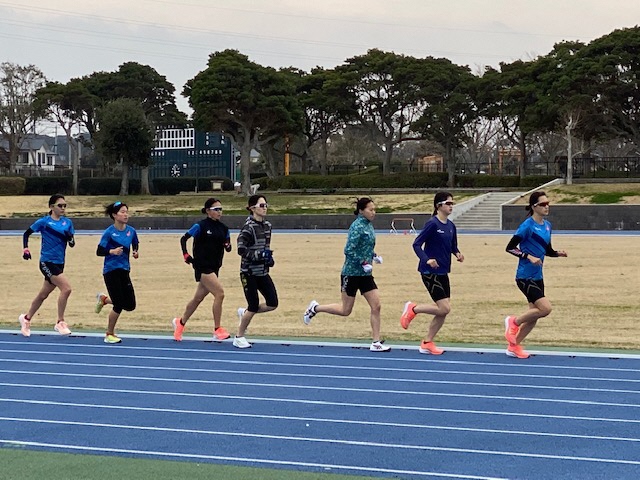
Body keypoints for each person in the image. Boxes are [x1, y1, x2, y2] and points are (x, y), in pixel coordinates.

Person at [303, 197, 390, 352]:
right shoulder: (356, 227)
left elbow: (365, 247)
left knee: (376, 306)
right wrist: (363, 262)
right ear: (361, 210)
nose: (373, 212)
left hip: (366, 275)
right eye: (370, 209)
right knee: (345, 310)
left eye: (374, 209)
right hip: (351, 273)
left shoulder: (369, 226)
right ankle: (315, 308)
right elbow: (349, 250)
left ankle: (376, 342)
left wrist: (374, 256)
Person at [504, 191, 567, 359]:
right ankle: (513, 321)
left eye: (548, 203)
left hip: (538, 276)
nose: (547, 207)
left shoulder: (547, 226)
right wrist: (528, 256)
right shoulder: (527, 226)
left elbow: (547, 250)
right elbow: (510, 247)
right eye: (543, 204)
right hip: (524, 276)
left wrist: (557, 253)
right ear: (534, 207)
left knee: (534, 315)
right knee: (545, 308)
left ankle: (513, 346)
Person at [399, 191, 464, 355]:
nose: (451, 206)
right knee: (444, 309)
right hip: (429, 271)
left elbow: (452, 246)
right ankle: (414, 309)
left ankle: (427, 342)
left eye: (452, 204)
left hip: (443, 272)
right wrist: (427, 259)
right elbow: (416, 244)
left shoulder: (450, 226)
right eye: (448, 203)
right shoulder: (432, 224)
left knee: (444, 310)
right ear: (439, 206)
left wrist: (457, 253)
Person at [172, 198, 232, 342]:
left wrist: (227, 246)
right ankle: (218, 329)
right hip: (202, 266)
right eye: (216, 209)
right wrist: (185, 254)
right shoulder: (200, 226)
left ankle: (180, 323)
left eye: (221, 209)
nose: (219, 212)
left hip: (215, 266)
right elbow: (184, 239)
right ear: (208, 211)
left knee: (198, 298)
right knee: (220, 294)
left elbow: (228, 246)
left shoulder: (224, 228)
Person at [18, 194, 75, 337]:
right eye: (60, 206)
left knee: (43, 294)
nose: (63, 208)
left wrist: (70, 238)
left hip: (60, 262)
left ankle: (26, 318)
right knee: (66, 289)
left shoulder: (67, 223)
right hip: (46, 262)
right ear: (51, 207)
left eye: (64, 206)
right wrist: (26, 249)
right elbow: (27, 233)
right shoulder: (44, 222)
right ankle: (60, 322)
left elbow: (72, 244)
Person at [233, 195, 278, 348]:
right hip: (249, 272)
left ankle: (244, 313)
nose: (264, 208)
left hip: (262, 272)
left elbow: (265, 246)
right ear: (252, 208)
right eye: (261, 205)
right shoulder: (248, 227)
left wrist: (268, 259)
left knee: (273, 303)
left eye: (266, 205)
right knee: (253, 305)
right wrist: (258, 255)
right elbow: (241, 249)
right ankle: (239, 336)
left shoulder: (267, 226)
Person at [95, 201, 139, 344]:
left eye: (126, 211)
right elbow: (99, 251)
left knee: (130, 305)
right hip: (111, 271)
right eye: (122, 212)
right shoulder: (109, 232)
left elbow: (135, 242)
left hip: (124, 270)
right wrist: (112, 251)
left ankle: (104, 299)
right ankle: (109, 334)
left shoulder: (131, 231)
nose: (125, 214)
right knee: (119, 304)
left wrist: (135, 251)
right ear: (114, 215)